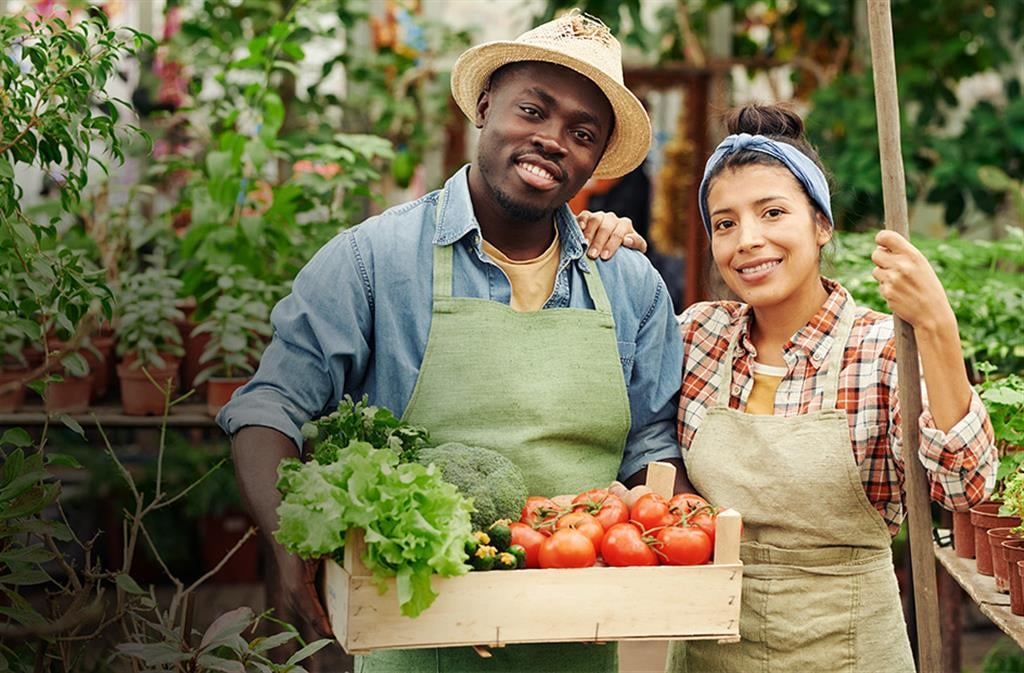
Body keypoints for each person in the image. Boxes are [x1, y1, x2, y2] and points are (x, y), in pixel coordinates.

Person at [217, 11, 685, 673]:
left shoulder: (632, 285)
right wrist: (287, 546)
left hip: (578, 652)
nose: (554, 140)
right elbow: (267, 408)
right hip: (411, 647)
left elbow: (651, 451)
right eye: (533, 110)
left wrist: (674, 545)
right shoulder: (374, 261)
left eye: (582, 133)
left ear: (596, 162)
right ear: (486, 106)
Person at [588, 103, 997, 672]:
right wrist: (604, 251)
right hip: (712, 652)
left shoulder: (881, 348)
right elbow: (604, 382)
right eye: (725, 223)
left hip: (851, 652)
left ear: (821, 223)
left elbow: (966, 488)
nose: (747, 240)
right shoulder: (697, 335)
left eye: (772, 212)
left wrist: (937, 328)